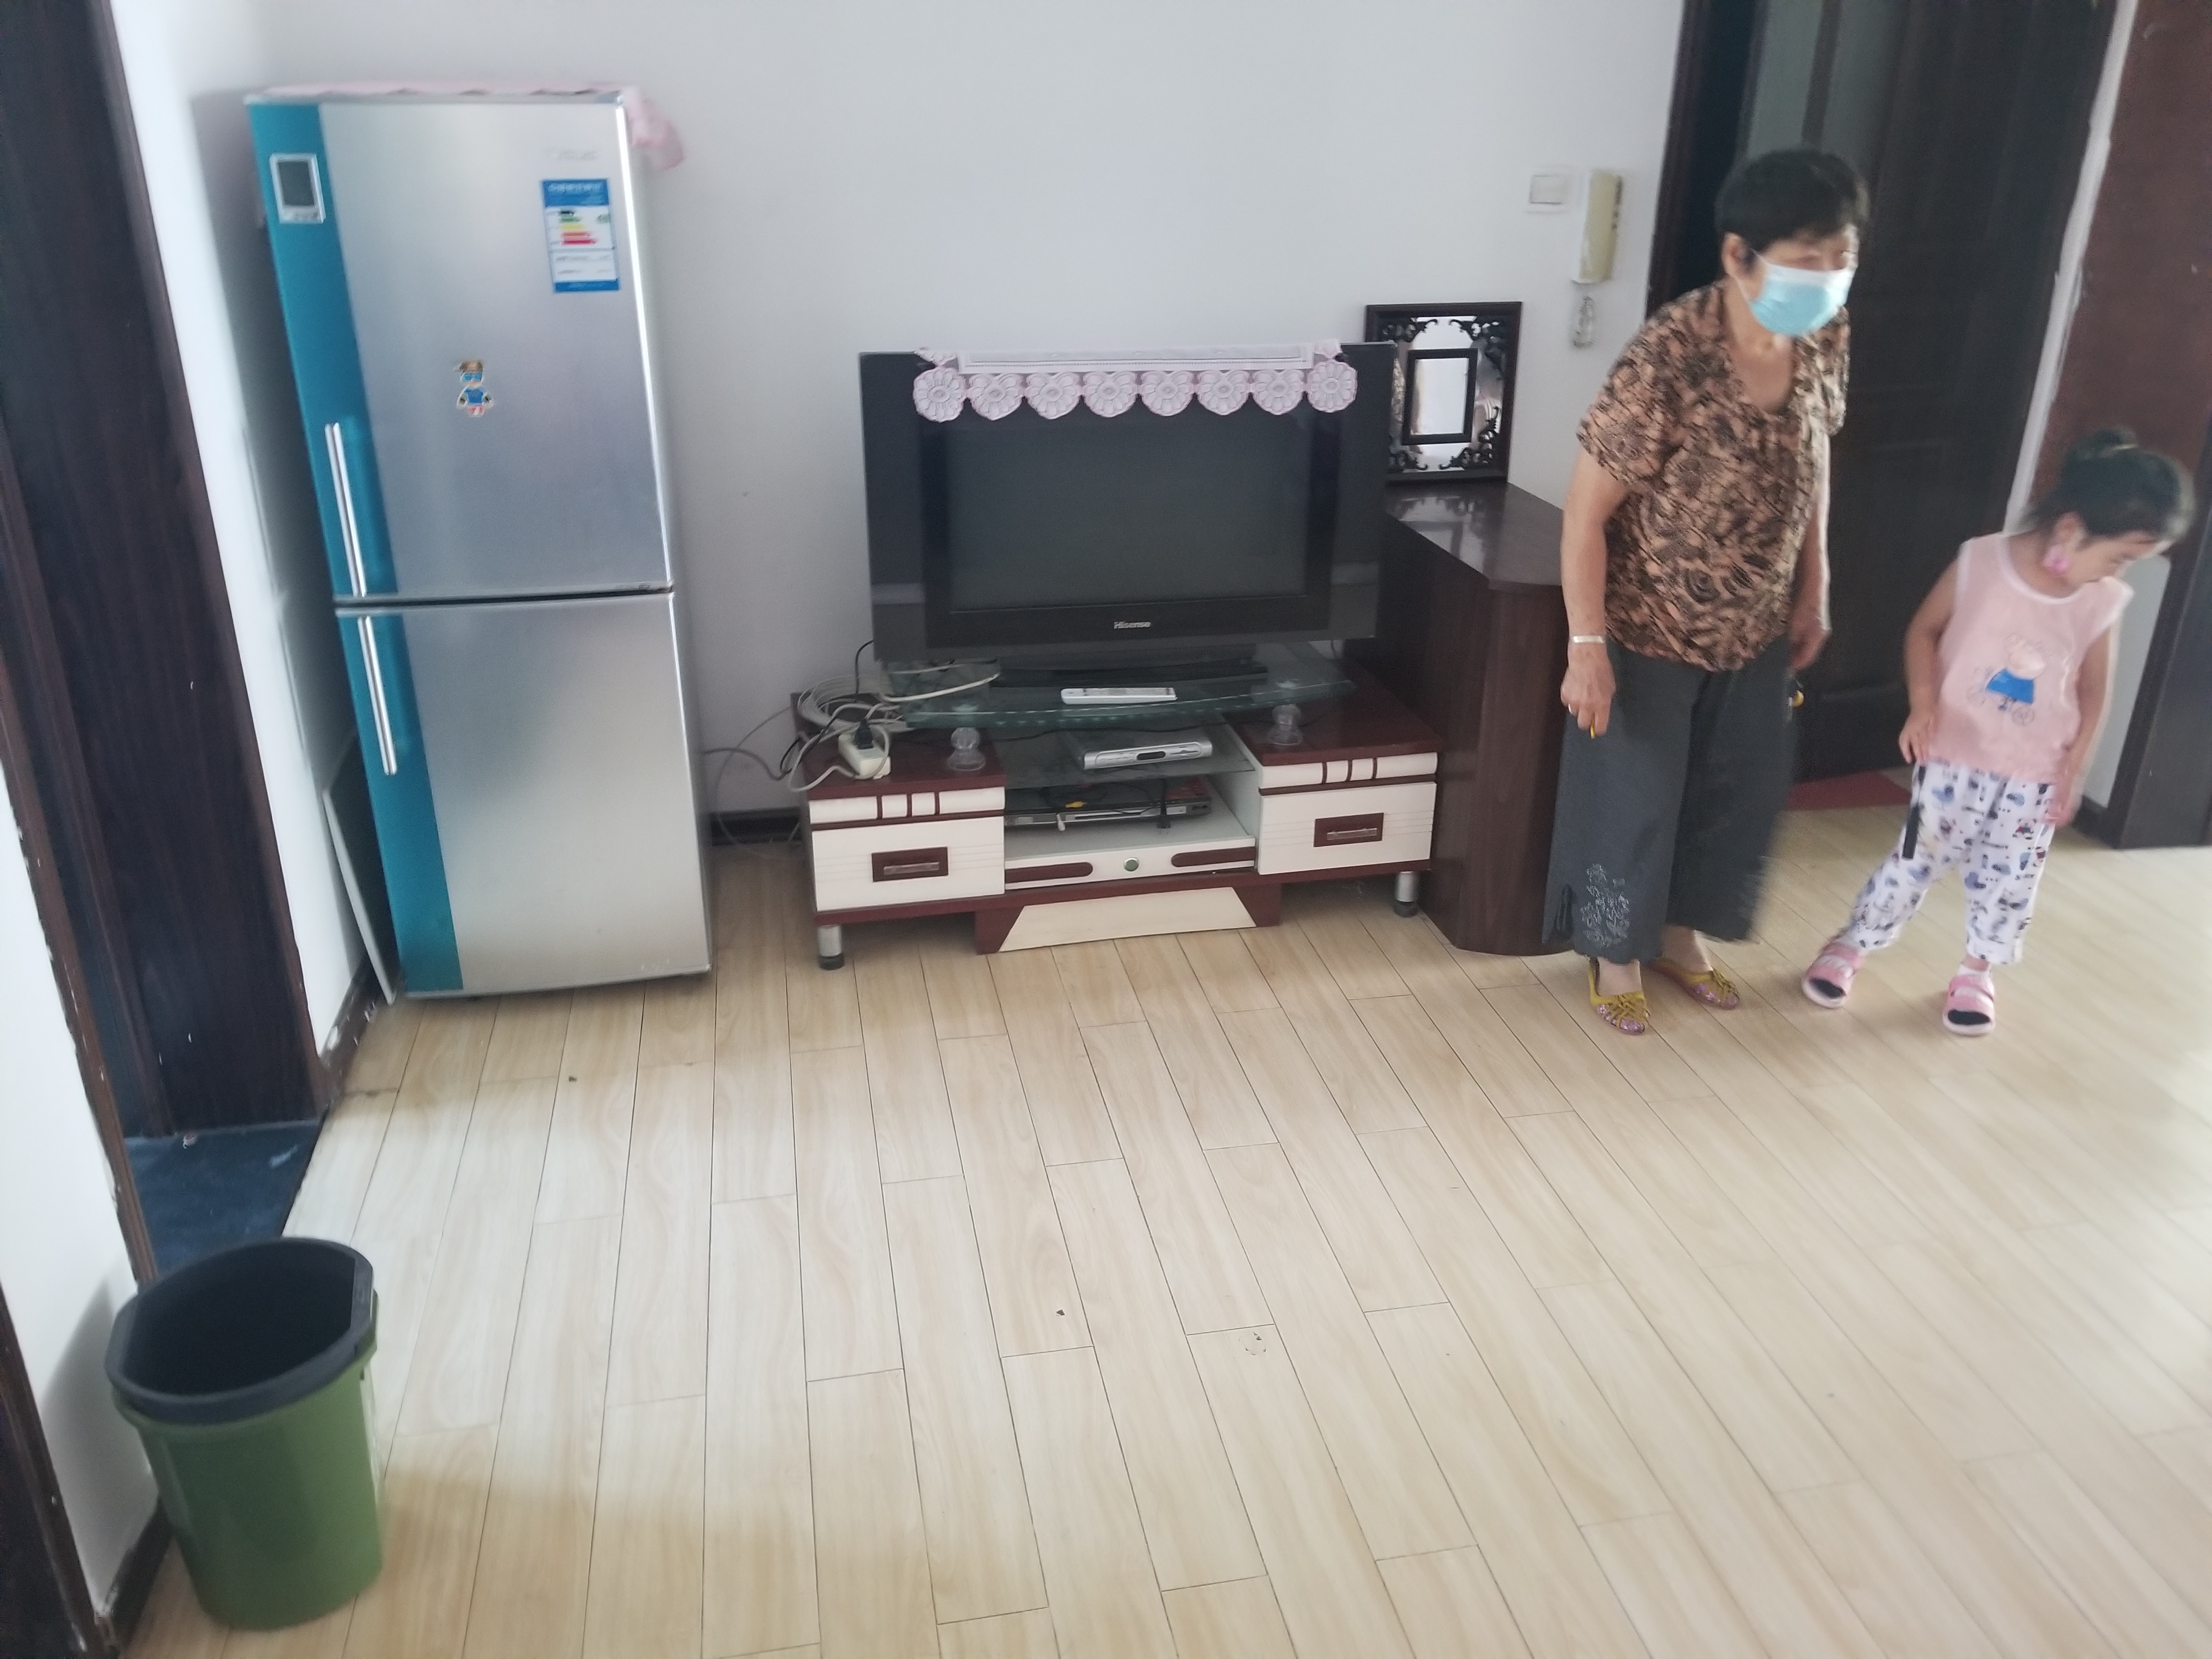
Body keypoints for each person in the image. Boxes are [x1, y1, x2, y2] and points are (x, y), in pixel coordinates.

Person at [1548, 148, 1865, 1035]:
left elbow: (1816, 459)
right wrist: (1586, 646)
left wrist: (1816, 581)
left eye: (1841, 258)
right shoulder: (1670, 355)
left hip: (1757, 621)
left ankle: (1679, 938)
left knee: (1732, 791)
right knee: (1638, 794)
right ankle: (1615, 949)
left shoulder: (1826, 335)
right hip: (1650, 621)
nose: (1827, 277)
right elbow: (1584, 514)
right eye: (1807, 259)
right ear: (1738, 255)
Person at [1802, 430, 2192, 1033]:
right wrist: (1922, 705)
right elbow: (1923, 631)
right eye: (2118, 558)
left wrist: (2075, 767)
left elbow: (2094, 690)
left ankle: (1976, 971)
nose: (2119, 573)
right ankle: (1853, 942)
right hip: (1953, 753)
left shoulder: (2102, 600)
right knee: (1916, 858)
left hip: (2036, 770)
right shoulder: (1982, 563)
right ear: (2071, 530)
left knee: (2012, 879)